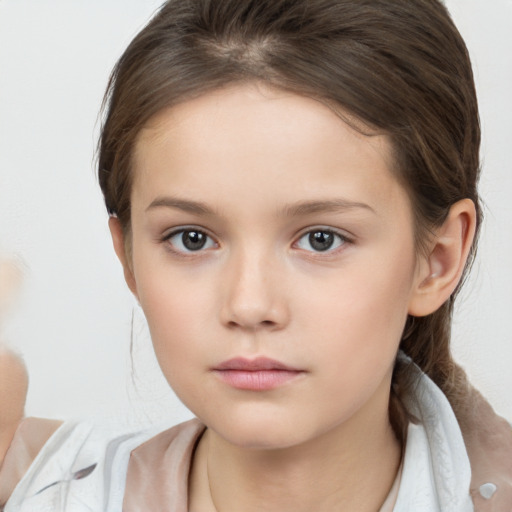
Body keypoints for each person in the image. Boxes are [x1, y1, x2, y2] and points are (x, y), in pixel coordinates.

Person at [0, 0, 511, 510]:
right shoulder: (39, 489)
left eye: (321, 239)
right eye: (191, 239)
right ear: (128, 257)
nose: (249, 305)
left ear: (438, 260)